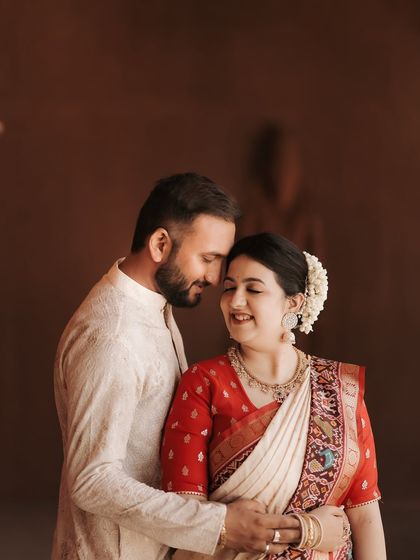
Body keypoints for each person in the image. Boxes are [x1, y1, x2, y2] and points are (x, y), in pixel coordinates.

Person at [52, 173, 303, 560]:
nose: (216, 278)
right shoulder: (113, 336)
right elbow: (92, 480)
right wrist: (219, 525)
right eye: (208, 259)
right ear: (159, 244)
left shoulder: (151, 306)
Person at [161, 232, 386, 559]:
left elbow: (364, 513)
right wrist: (306, 530)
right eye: (228, 288)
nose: (235, 301)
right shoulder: (204, 383)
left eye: (253, 289)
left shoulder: (338, 389)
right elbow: (186, 515)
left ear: (292, 303)